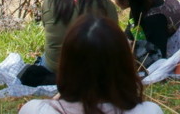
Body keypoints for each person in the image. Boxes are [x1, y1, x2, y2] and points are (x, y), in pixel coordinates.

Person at [19, 15, 163, 114]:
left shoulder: (35, 110)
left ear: (66, 66)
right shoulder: (149, 111)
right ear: (125, 64)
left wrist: (63, 91)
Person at [40, 0, 118, 77]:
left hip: (55, 68)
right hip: (91, 71)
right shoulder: (105, 6)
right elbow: (113, 42)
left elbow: (47, 26)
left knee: (45, 56)